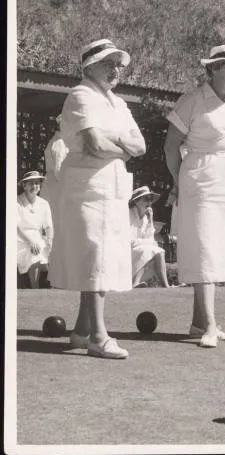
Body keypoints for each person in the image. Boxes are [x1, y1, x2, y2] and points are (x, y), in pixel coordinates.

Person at [50, 39, 146, 359]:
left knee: (100, 260)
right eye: (109, 63)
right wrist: (122, 142)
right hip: (88, 188)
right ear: (89, 67)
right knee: (96, 261)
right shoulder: (81, 94)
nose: (116, 69)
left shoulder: (117, 103)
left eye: (119, 64)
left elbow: (141, 145)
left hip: (113, 189)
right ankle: (99, 336)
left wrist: (114, 139)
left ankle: (80, 332)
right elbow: (93, 144)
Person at [164, 44, 225, 347]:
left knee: (219, 248)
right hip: (198, 179)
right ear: (213, 69)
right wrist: (178, 183)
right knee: (204, 248)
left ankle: (198, 323)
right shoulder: (191, 101)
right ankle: (211, 326)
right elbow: (170, 146)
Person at [17, 171, 53, 289]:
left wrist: (50, 240)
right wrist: (30, 242)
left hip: (38, 237)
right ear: (24, 186)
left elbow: (48, 226)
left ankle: (54, 288)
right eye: (31, 183)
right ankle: (35, 288)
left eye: (37, 183)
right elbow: (15, 227)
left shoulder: (44, 203)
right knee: (35, 253)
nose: (35, 186)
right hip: (21, 238)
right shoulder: (16, 202)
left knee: (53, 252)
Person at [129, 186, 170, 288]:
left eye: (151, 199)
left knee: (159, 252)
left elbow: (151, 239)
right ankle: (135, 283)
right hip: (127, 252)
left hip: (139, 250)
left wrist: (151, 220)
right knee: (148, 250)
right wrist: (148, 243)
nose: (149, 202)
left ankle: (165, 286)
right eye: (146, 199)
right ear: (136, 201)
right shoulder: (128, 215)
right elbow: (130, 241)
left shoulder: (146, 218)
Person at [39, 114, 68, 256]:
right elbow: (59, 171)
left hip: (53, 186)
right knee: (54, 223)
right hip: (56, 187)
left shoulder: (58, 141)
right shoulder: (60, 143)